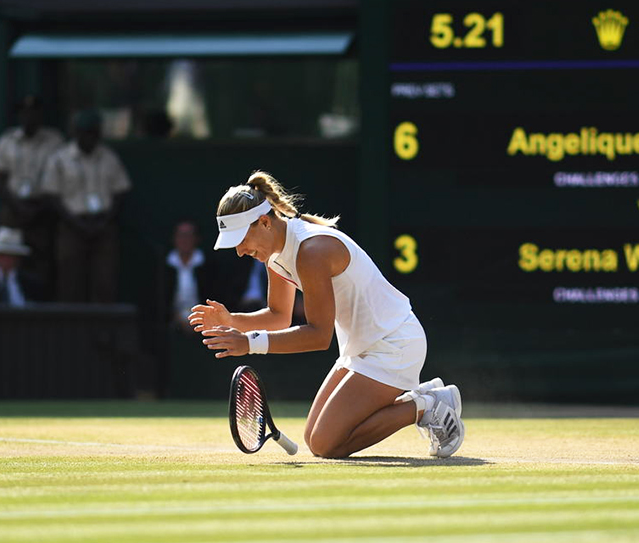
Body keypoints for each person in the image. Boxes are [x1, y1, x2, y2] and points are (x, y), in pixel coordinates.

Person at [191, 171, 464, 459]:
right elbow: (278, 315)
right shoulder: (274, 253)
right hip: (361, 348)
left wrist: (249, 343)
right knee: (314, 438)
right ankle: (426, 400)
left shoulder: (312, 251)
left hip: (394, 344)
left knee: (325, 444)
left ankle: (426, 405)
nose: (240, 251)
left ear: (264, 222)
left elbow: (319, 336)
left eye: (242, 238)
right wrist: (231, 320)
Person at [40, 109, 131, 303]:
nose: (89, 137)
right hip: (71, 225)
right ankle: (71, 331)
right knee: (70, 282)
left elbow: (121, 191)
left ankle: (103, 331)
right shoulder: (60, 158)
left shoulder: (108, 158)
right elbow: (51, 196)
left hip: (103, 225)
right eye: (85, 132)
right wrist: (75, 223)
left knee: (105, 282)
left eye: (93, 132)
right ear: (76, 133)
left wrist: (104, 221)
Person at [0, 94, 64, 289]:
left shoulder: (54, 141)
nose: (29, 117)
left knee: (42, 260)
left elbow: (60, 179)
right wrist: (17, 206)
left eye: (33, 113)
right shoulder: (7, 140)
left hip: (42, 209)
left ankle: (38, 306)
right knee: (8, 256)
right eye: (25, 113)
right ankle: (7, 299)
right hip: (13, 208)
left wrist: (37, 208)